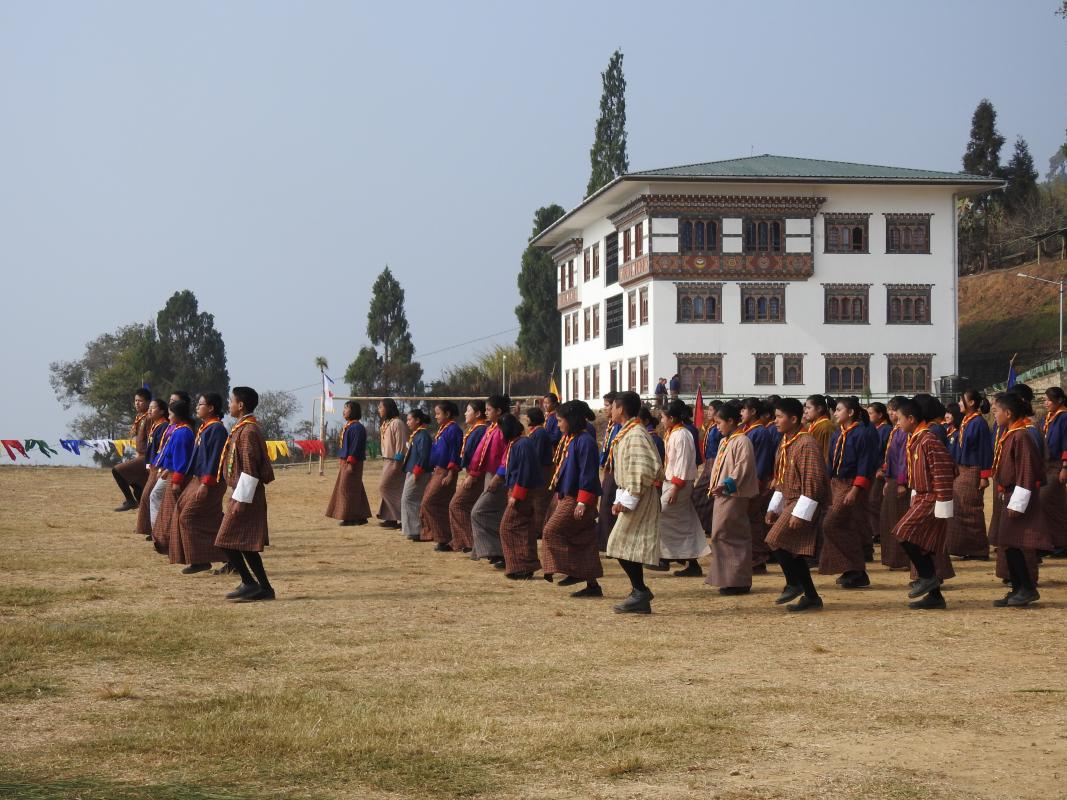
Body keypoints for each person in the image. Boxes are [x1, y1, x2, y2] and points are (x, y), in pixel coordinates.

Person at [890, 398, 957, 610]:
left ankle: (928, 577)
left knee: (902, 532)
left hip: (931, 497)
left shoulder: (928, 439)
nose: (898, 423)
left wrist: (943, 501)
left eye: (900, 419)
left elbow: (945, 469)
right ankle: (935, 596)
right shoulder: (915, 439)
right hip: (920, 495)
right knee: (924, 544)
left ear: (911, 419)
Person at [765, 398, 829, 612]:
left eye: (779, 417)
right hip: (790, 499)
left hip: (802, 500)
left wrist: (800, 513)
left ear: (793, 419)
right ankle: (811, 596)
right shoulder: (786, 442)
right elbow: (782, 478)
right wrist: (774, 506)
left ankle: (794, 583)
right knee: (793, 551)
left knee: (775, 539)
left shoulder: (806, 444)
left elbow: (813, 481)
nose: (775, 421)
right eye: (775, 417)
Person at [214, 386, 277, 602]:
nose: (229, 404)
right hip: (243, 493)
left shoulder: (248, 431)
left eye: (231, 401)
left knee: (225, 540)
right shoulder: (242, 428)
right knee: (244, 544)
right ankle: (261, 587)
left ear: (240, 405)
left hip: (246, 496)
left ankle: (251, 583)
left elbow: (250, 468)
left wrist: (241, 499)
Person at [604, 391, 665, 614]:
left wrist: (629, 499)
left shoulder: (636, 434)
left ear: (621, 409)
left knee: (619, 544)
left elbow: (643, 469)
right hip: (632, 493)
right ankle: (639, 594)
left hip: (640, 496)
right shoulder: (627, 432)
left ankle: (640, 591)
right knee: (623, 545)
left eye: (612, 406)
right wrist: (621, 497)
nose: (608, 410)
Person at [989, 391, 1049, 607]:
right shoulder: (1010, 433)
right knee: (1008, 543)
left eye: (996, 412)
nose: (994, 415)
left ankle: (1027, 588)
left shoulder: (1022, 436)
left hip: (1018, 495)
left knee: (1016, 544)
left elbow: (1026, 471)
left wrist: (1018, 502)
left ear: (1008, 413)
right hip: (1010, 493)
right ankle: (1018, 588)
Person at [541, 400, 603, 598]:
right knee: (582, 538)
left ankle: (573, 570)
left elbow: (588, 474)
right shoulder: (572, 439)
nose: (557, 424)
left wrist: (583, 501)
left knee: (551, 531)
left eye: (560, 420)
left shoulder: (585, 442)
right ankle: (592, 585)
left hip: (579, 498)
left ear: (571, 420)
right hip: (570, 495)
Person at [820, 396, 876, 589]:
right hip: (836, 483)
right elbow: (830, 461)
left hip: (851, 484)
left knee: (831, 523)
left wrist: (855, 490)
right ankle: (853, 570)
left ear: (850, 413)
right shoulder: (838, 433)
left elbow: (865, 464)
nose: (835, 414)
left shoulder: (862, 434)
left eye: (838, 410)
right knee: (846, 526)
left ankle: (856, 567)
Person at [171, 392, 228, 574]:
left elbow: (214, 459)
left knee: (189, 517)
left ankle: (206, 559)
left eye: (200, 404)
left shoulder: (217, 429)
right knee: (189, 513)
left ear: (211, 408)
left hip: (209, 482)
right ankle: (204, 559)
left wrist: (205, 483)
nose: (197, 407)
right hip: (198, 479)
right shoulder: (205, 427)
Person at [706, 400, 758, 594]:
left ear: (730, 421)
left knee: (730, 534)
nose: (717, 427)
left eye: (719, 423)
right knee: (722, 534)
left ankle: (738, 580)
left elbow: (742, 468)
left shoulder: (742, 441)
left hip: (734, 494)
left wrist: (726, 484)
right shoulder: (725, 441)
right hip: (723, 494)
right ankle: (728, 578)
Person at [655, 399, 711, 578]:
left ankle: (665, 557)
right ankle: (690, 561)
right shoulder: (673, 433)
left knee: (662, 514)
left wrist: (675, 487)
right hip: (672, 482)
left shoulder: (681, 435)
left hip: (678, 483)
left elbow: (683, 462)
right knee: (684, 522)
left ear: (671, 418)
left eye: (663, 417)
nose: (662, 421)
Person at [497, 413, 544, 579]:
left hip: (521, 492)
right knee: (523, 527)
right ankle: (524, 565)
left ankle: (520, 565)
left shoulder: (522, 444)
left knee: (508, 527)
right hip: (517, 490)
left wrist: (517, 495)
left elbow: (524, 471)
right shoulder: (516, 443)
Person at [946, 389, 992, 559]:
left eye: (961, 400)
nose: (959, 404)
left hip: (973, 470)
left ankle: (978, 549)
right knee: (960, 509)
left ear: (971, 403)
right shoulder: (966, 420)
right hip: (962, 469)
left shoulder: (979, 422)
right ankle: (965, 546)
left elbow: (985, 449)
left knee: (971, 509)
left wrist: (984, 475)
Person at [468, 395, 510, 566]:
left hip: (499, 476)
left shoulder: (504, 428)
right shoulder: (492, 428)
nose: (486, 412)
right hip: (488, 474)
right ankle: (494, 551)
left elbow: (507, 455)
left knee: (479, 512)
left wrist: (499, 475)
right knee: (492, 512)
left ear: (499, 411)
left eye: (489, 410)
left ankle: (499, 550)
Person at [151, 398, 195, 556]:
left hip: (177, 477)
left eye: (170, 414)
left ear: (178, 415)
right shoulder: (179, 430)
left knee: (171, 511)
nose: (169, 417)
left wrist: (176, 480)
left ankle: (168, 542)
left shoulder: (183, 433)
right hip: (171, 473)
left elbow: (181, 459)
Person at [419, 401, 463, 550]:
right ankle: (442, 537)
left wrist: (451, 474)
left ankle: (444, 537)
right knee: (435, 503)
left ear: (447, 414)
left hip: (446, 472)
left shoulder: (454, 430)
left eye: (438, 413)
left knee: (429, 502)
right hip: (437, 470)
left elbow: (454, 453)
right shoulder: (443, 429)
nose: (435, 416)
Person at [447, 401, 489, 553]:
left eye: (468, 410)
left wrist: (472, 475)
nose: (465, 413)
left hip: (476, 474)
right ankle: (464, 541)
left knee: (456, 504)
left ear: (478, 414)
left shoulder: (481, 431)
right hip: (471, 473)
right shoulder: (475, 430)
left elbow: (480, 457)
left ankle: (469, 541)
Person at [740, 398, 775, 574]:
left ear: (753, 412)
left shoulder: (760, 432)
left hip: (757, 482)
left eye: (744, 410)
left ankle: (758, 559)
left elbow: (760, 461)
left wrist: (757, 483)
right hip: (751, 481)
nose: (741, 413)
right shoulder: (749, 431)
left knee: (754, 520)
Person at [325, 400, 371, 527]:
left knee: (347, 489)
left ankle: (350, 517)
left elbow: (355, 447)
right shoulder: (349, 426)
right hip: (346, 461)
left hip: (352, 462)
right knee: (354, 488)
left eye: (346, 408)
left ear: (353, 411)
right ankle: (361, 516)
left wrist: (350, 463)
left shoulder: (357, 427)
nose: (344, 411)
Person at [878, 397, 911, 571]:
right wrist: (886, 477)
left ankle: (904, 559)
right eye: (889, 409)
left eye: (894, 410)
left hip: (900, 481)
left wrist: (901, 482)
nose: (891, 413)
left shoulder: (904, 432)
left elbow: (903, 460)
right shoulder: (895, 430)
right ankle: (893, 558)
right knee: (888, 519)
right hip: (891, 479)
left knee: (899, 518)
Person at [135, 398, 170, 541]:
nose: (149, 410)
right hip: (153, 466)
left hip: (159, 468)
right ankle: (151, 530)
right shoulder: (155, 425)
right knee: (149, 497)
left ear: (162, 411)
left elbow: (160, 449)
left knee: (149, 496)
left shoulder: (163, 426)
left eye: (153, 408)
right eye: (149, 407)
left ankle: (155, 531)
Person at [112, 387, 152, 511]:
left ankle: (130, 500)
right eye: (135, 400)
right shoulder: (139, 418)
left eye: (140, 401)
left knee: (118, 471)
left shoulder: (149, 418)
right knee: (140, 492)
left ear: (148, 402)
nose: (137, 403)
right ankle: (145, 524)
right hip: (139, 456)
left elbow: (153, 440)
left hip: (146, 457)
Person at [1039, 387, 1067, 556]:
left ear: (1059, 401)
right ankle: (1053, 541)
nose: (1046, 403)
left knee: (1046, 499)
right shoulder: (1048, 418)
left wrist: (1065, 467)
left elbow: (1066, 442)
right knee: (1053, 504)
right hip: (1046, 465)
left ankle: (1061, 541)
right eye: (1045, 400)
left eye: (1049, 400)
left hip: (1058, 465)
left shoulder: (1064, 417)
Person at [400, 409, 433, 542]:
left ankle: (416, 530)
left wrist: (417, 471)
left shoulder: (423, 435)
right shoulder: (417, 434)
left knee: (409, 498)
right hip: (412, 471)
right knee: (410, 499)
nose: (407, 422)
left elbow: (424, 455)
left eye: (409, 419)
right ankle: (414, 529)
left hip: (418, 472)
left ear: (418, 420)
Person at [376, 399, 408, 529]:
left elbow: (401, 444)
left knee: (384, 487)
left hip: (395, 461)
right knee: (391, 488)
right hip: (387, 460)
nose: (379, 409)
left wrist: (397, 462)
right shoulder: (385, 423)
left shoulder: (397, 423)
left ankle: (400, 516)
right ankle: (390, 518)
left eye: (380, 407)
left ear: (388, 408)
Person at [865, 401, 891, 557]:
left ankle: (879, 532)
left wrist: (883, 468)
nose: (868, 416)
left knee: (875, 501)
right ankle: (875, 530)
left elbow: (886, 452)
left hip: (880, 470)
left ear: (880, 415)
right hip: (873, 469)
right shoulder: (874, 429)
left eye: (871, 413)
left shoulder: (886, 429)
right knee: (872, 501)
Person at [525, 407, 555, 539]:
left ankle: (539, 529)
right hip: (539, 469)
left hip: (542, 470)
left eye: (527, 416)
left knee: (540, 500)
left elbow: (535, 455)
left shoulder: (540, 433)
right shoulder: (536, 432)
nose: (526, 419)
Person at [597, 392, 621, 551]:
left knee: (607, 504)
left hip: (615, 469)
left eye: (607, 405)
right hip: (608, 467)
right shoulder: (611, 425)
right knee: (605, 503)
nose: (605, 409)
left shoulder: (619, 426)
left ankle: (609, 542)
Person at [803, 394, 834, 460]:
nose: (805, 411)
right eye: (806, 408)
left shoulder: (827, 427)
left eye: (809, 408)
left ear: (819, 409)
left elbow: (828, 455)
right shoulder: (810, 425)